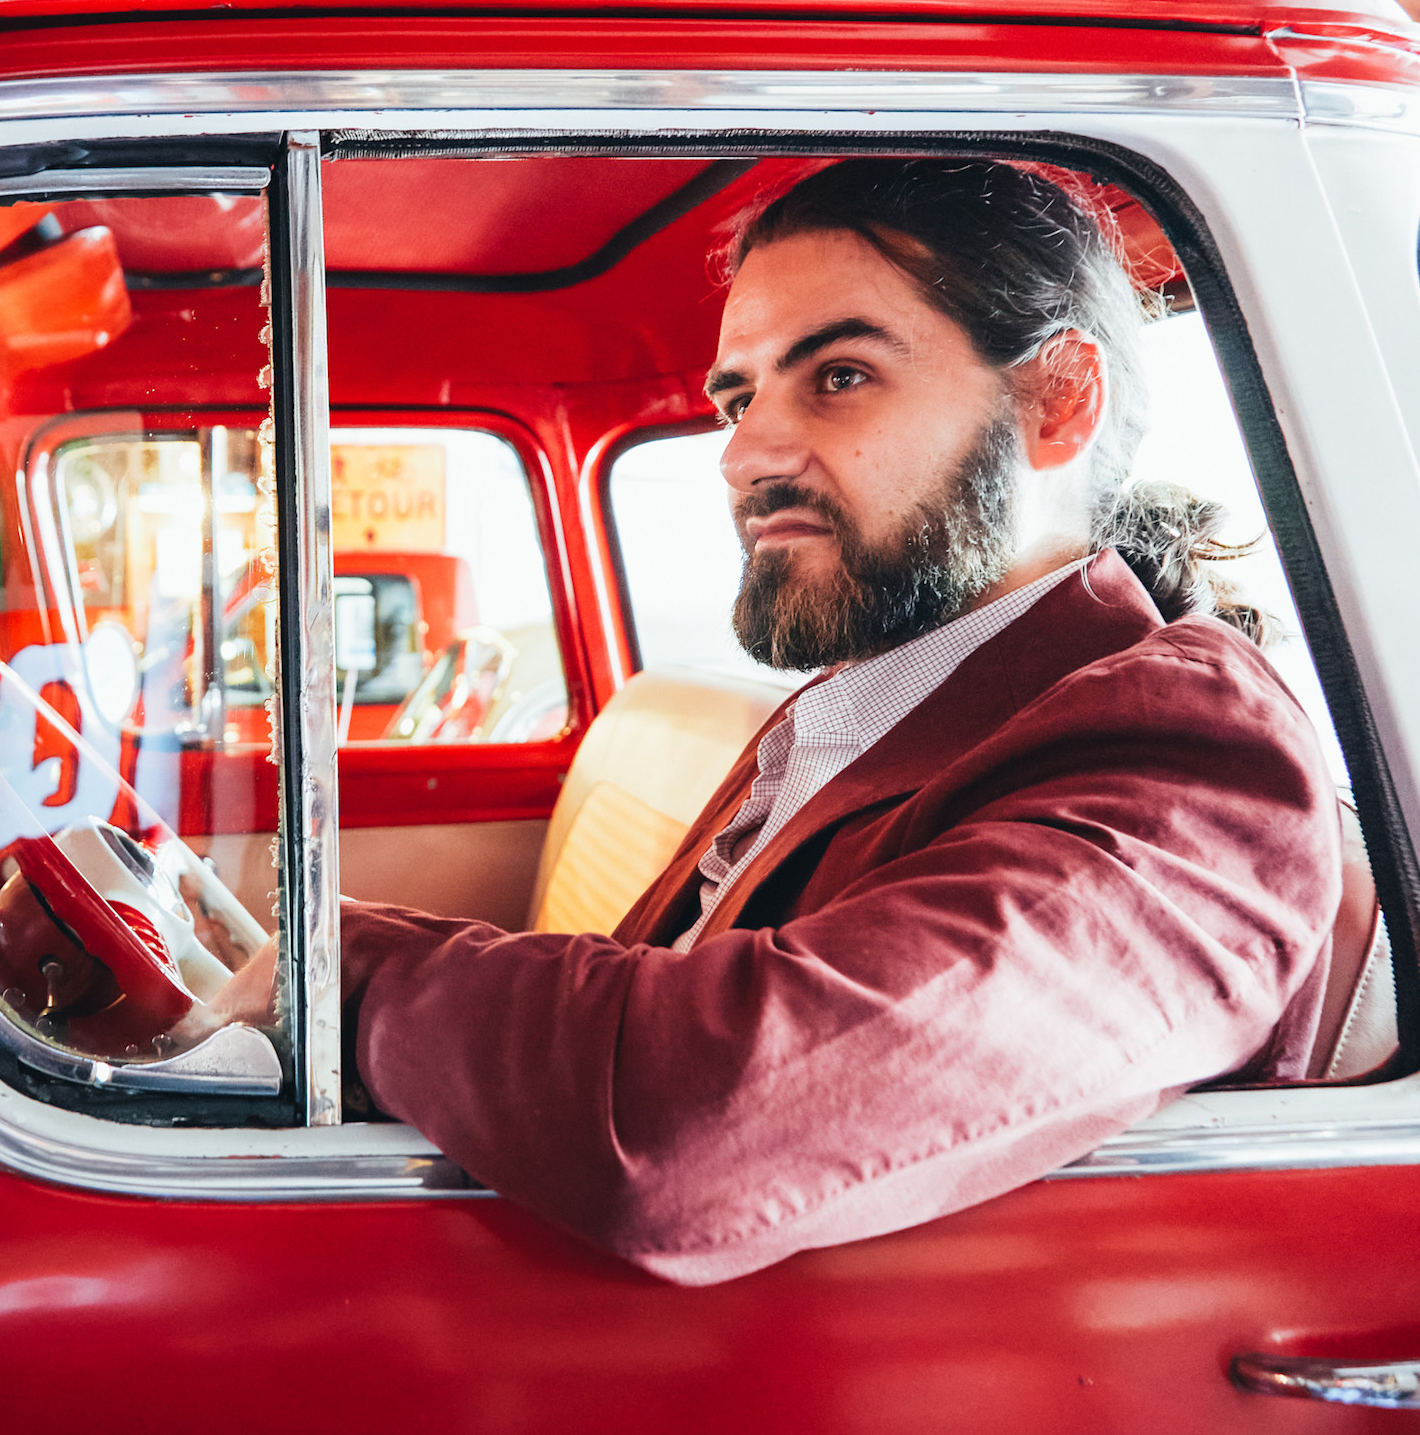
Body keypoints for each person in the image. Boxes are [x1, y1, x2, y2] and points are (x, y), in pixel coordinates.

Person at [193, 156, 1344, 1286]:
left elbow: (693, 1129)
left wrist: (335, 970)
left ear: (1060, 399)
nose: (744, 455)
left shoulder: (1192, 759)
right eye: (738, 397)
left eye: (837, 376)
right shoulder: (868, 705)